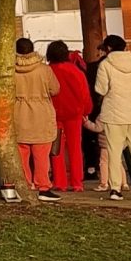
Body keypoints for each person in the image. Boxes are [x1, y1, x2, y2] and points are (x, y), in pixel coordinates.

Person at [92, 37, 131, 200]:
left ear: (108, 48)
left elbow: (101, 89)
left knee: (114, 152)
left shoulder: (105, 64)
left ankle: (115, 188)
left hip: (113, 113)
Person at [4, 38, 59, 198]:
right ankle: (43, 187)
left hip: (18, 113)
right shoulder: (44, 69)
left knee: (21, 153)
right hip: (41, 113)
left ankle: (25, 184)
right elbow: (55, 89)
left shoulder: (10, 70)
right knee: (42, 154)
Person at [45, 39, 92, 192]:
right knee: (75, 148)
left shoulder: (48, 71)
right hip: (74, 114)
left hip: (54, 114)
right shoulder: (75, 71)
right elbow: (84, 93)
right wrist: (86, 110)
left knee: (56, 149)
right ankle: (77, 182)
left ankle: (60, 181)